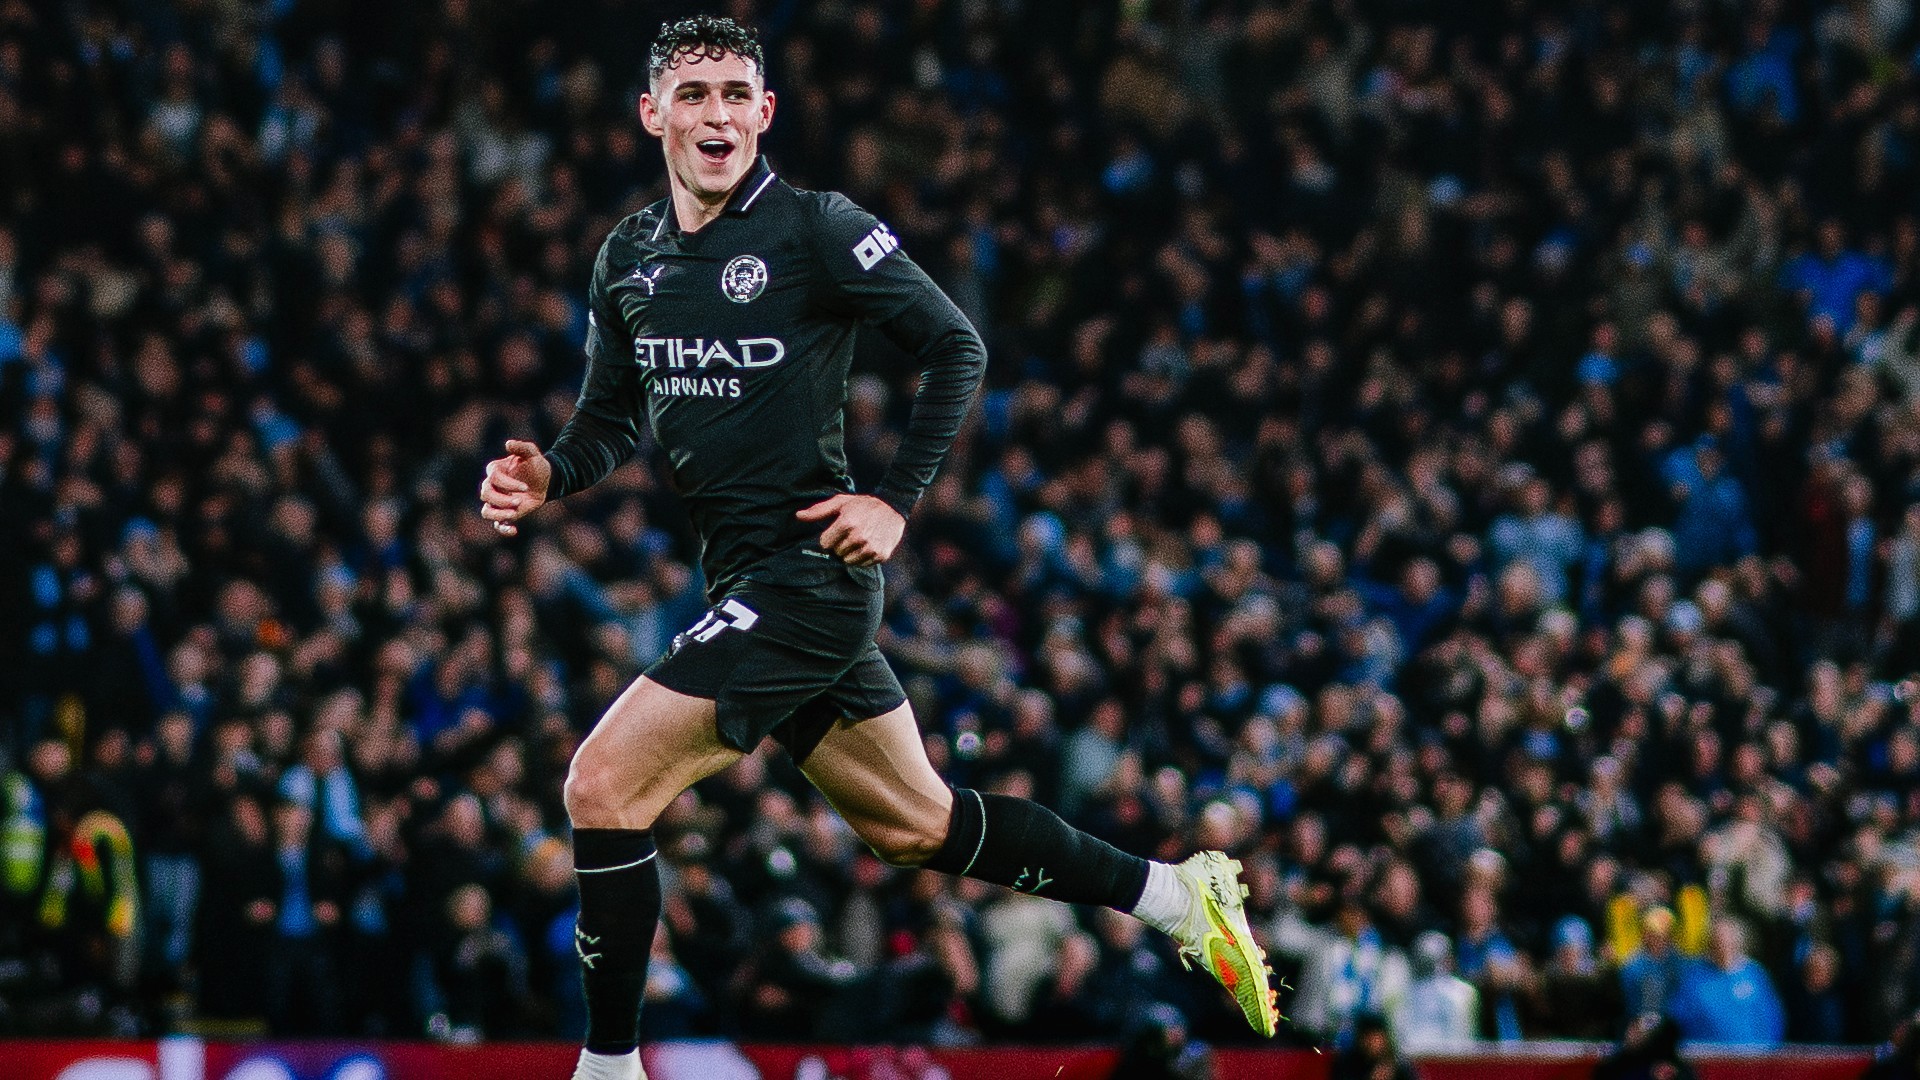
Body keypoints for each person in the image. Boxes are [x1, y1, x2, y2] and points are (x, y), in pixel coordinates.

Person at [475, 18, 1278, 1079]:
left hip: (807, 579)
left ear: (765, 114)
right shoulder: (628, 256)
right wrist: (550, 475)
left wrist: (896, 502)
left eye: (735, 95)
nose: (716, 114)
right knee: (914, 824)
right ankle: (1175, 895)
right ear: (653, 113)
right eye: (695, 93)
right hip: (751, 583)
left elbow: (956, 346)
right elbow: (610, 419)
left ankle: (610, 1069)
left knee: (599, 787)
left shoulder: (816, 229)